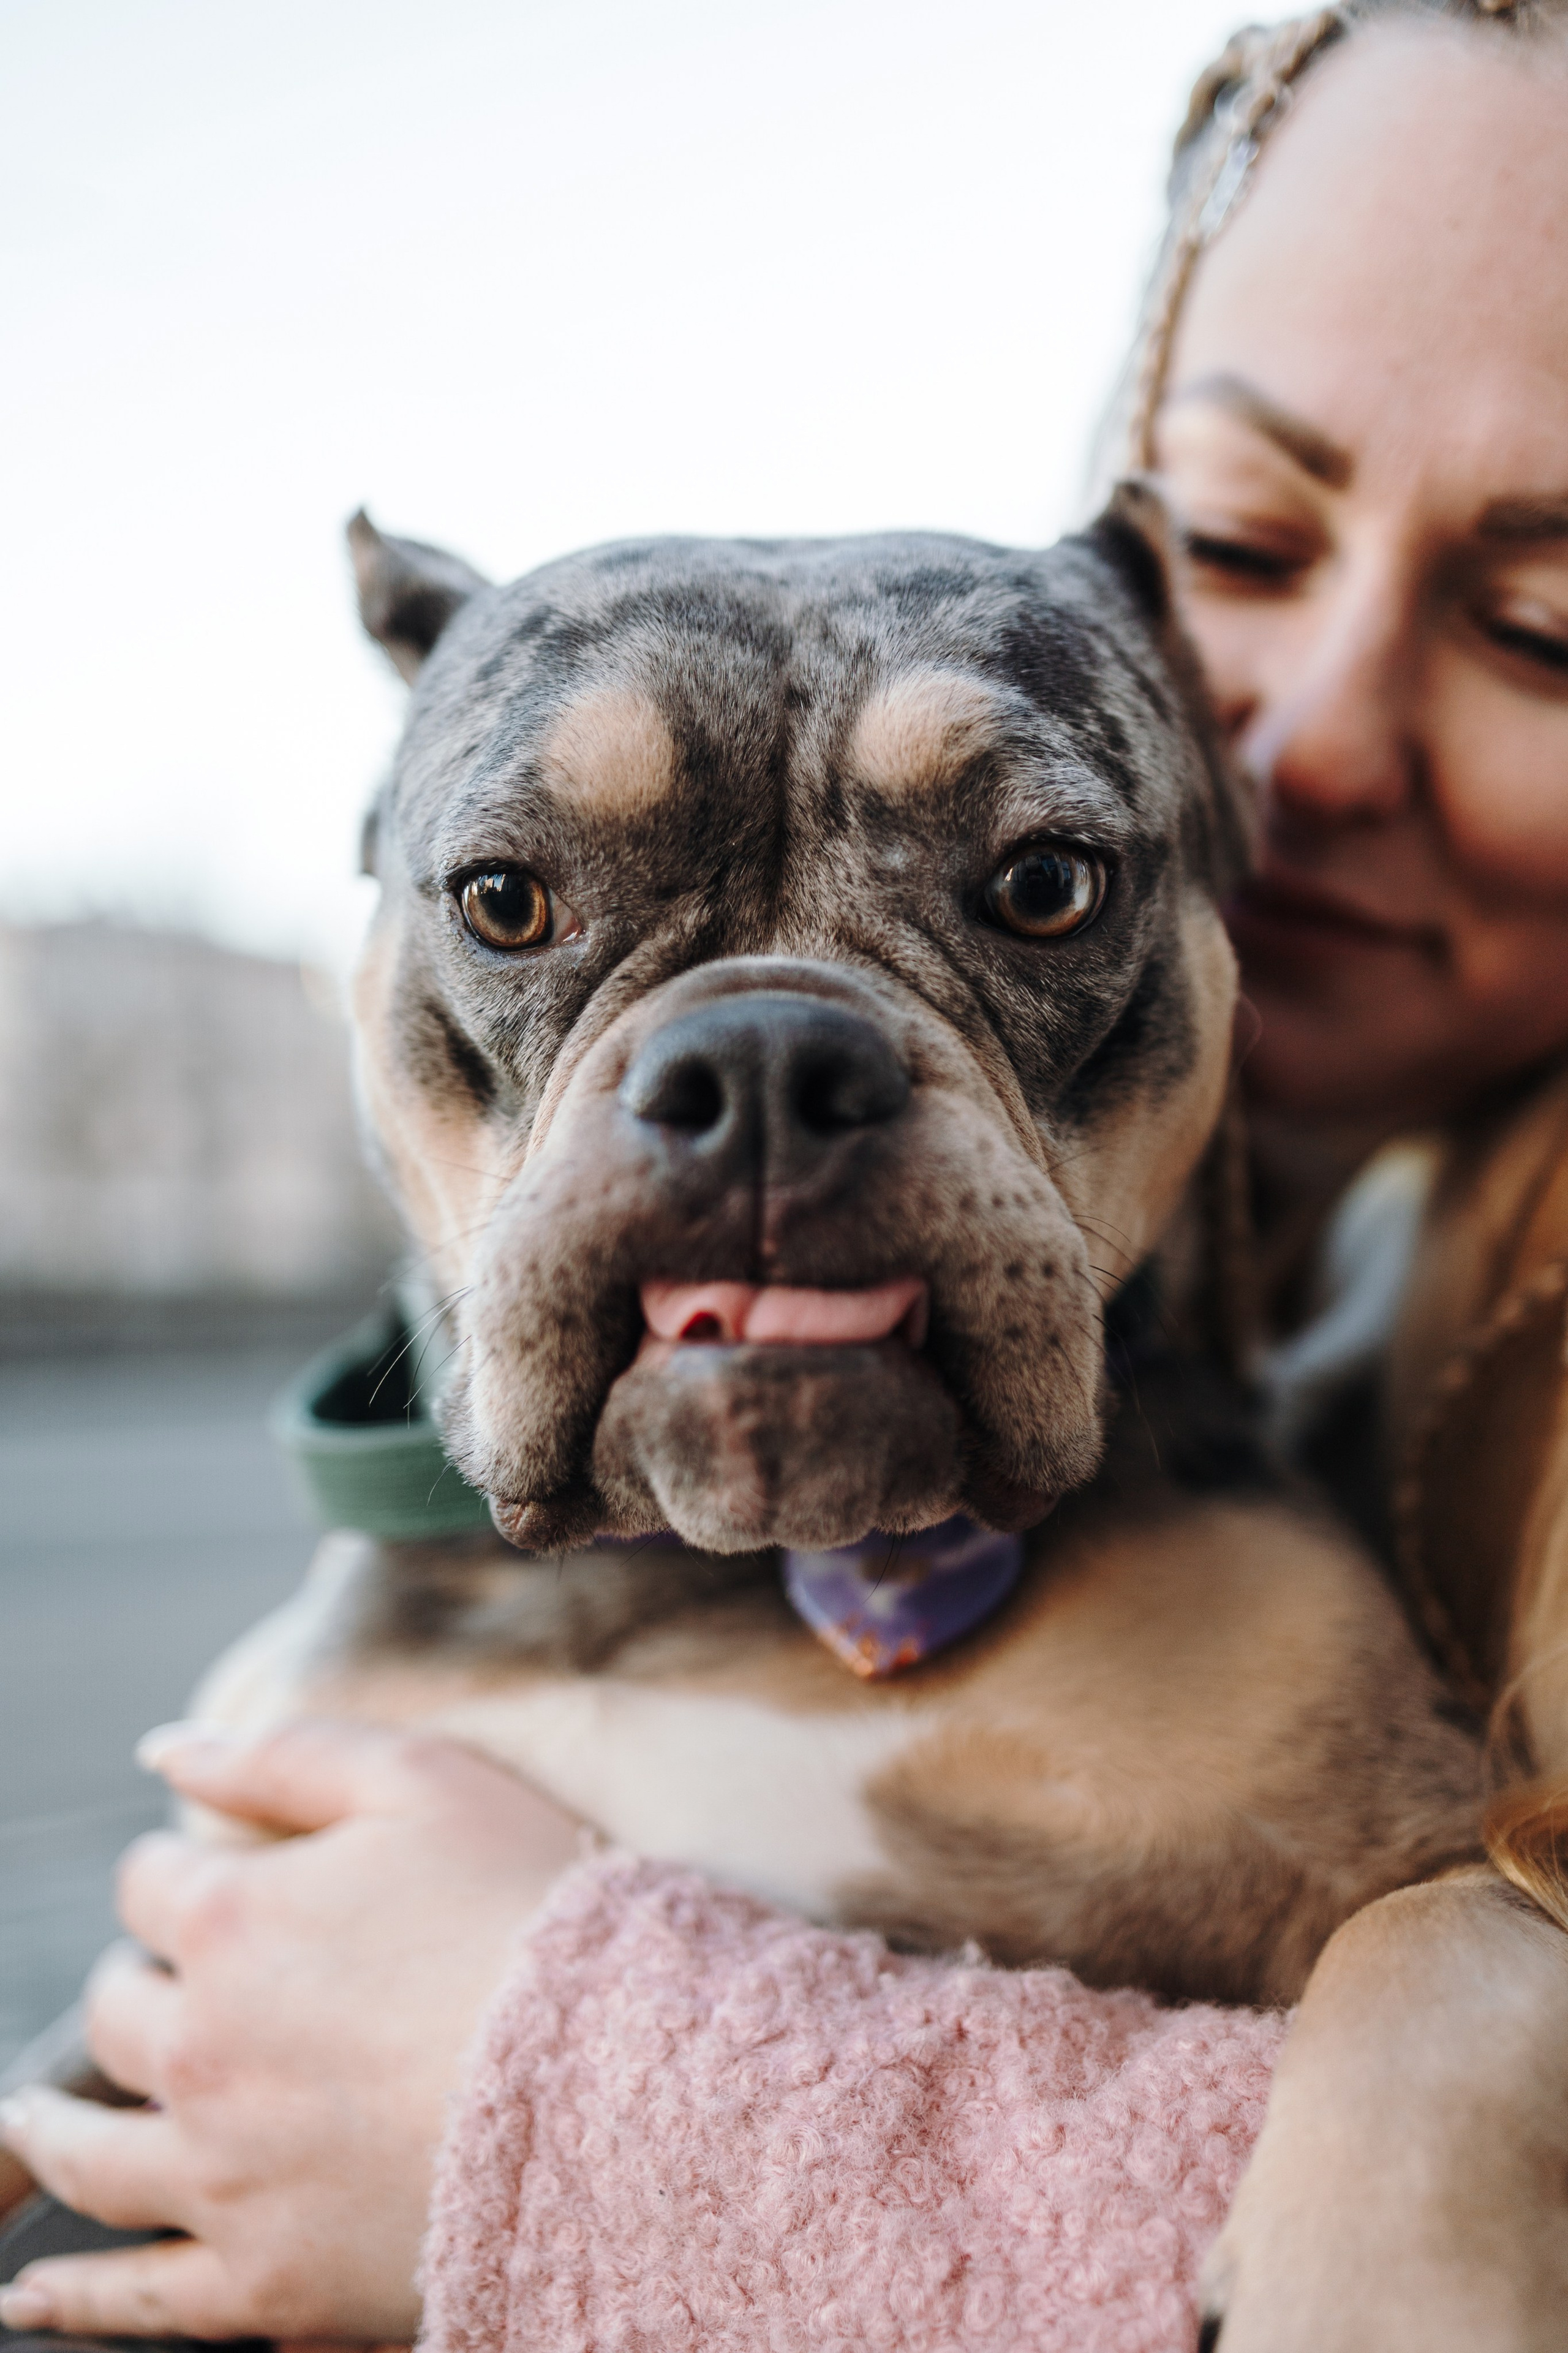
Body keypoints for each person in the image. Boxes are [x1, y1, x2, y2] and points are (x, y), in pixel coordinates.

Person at [6, 3, 1568, 2346]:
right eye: (522, 908)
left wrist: (601, 2113)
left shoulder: (1283, 1553)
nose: (1314, 739)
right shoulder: (1356, 1258)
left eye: (1029, 891)